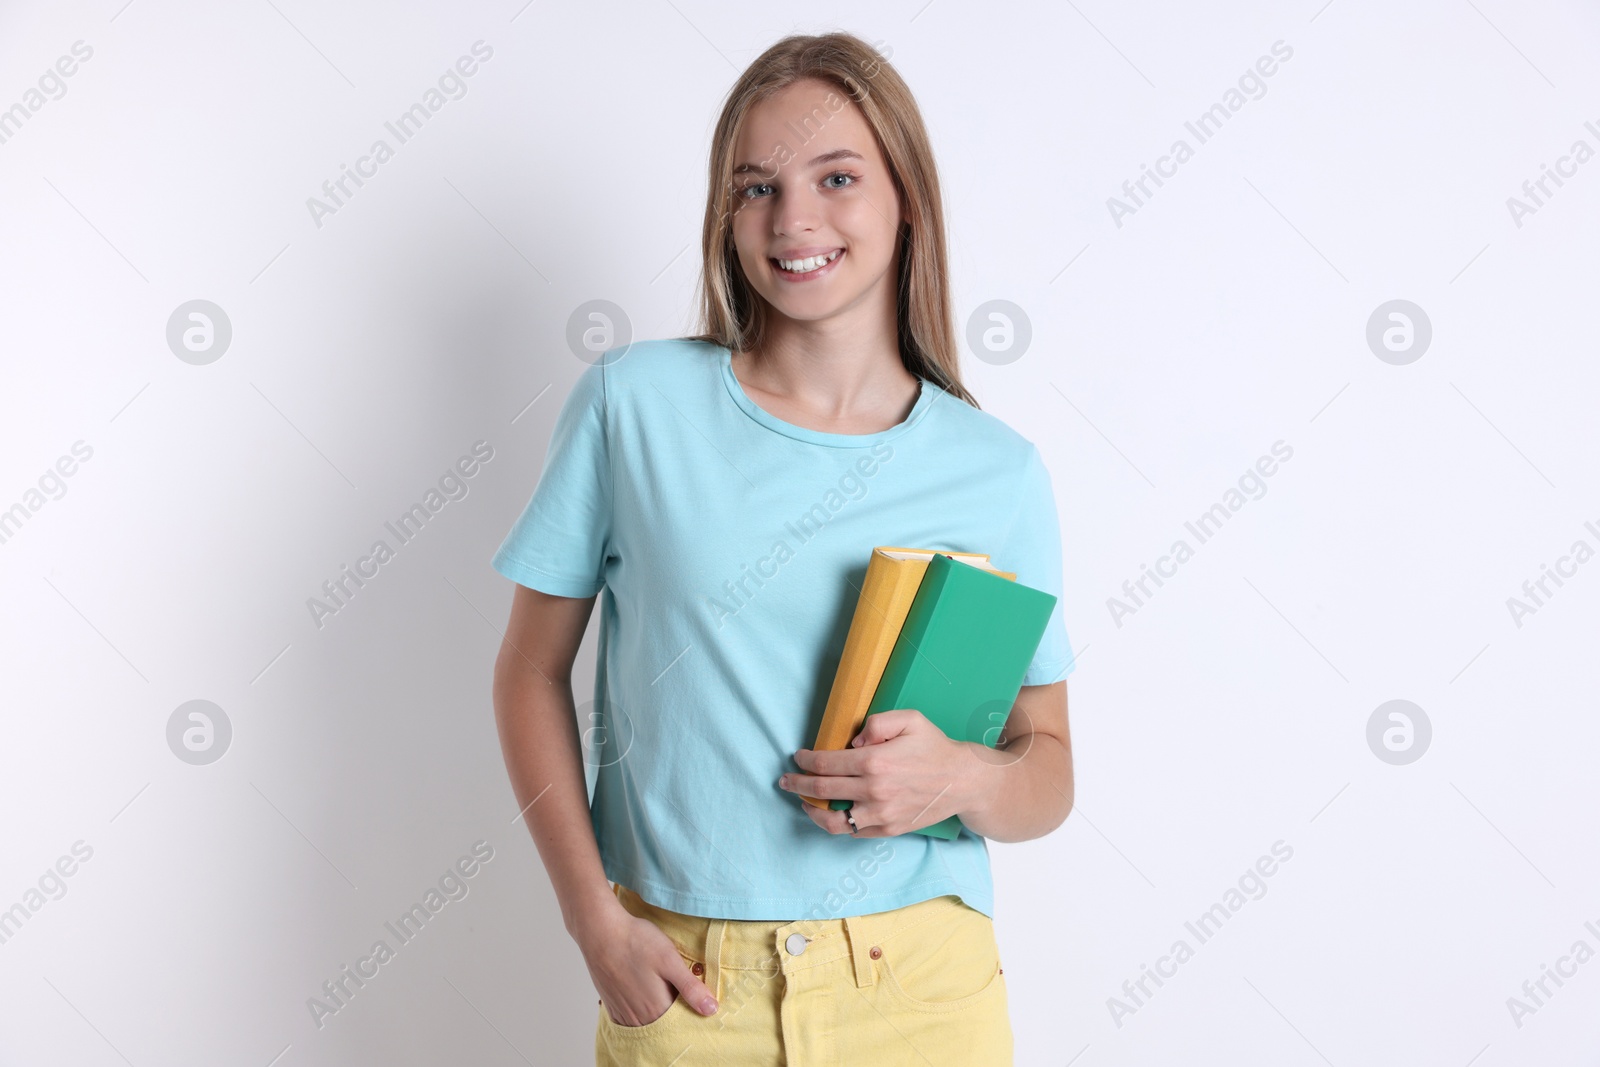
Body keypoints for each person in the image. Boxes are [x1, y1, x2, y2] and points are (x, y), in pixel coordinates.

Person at [490, 30, 1077, 1066]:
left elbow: (1050, 768)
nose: (793, 219)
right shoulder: (634, 407)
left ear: (907, 199)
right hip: (685, 984)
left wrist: (958, 778)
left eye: (835, 177)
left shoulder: (997, 471)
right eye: (754, 187)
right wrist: (593, 919)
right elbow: (528, 671)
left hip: (921, 989)